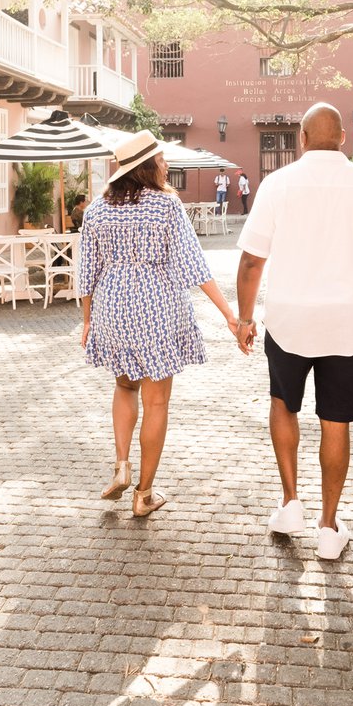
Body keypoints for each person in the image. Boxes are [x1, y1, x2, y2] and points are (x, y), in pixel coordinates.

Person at [234, 103, 353, 560]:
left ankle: (290, 503)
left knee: (283, 405)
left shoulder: (277, 184)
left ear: (302, 139)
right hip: (351, 322)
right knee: (336, 421)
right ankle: (329, 527)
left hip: (290, 319)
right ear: (344, 138)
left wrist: (245, 318)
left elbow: (251, 261)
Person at [79, 130, 241, 517]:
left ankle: (121, 465)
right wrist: (229, 314)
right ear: (149, 166)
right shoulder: (167, 206)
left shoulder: (97, 210)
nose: (167, 165)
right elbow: (193, 265)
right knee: (156, 402)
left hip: (112, 306)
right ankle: (144, 494)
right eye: (162, 159)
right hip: (156, 305)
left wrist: (87, 321)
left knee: (123, 385)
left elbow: (86, 272)